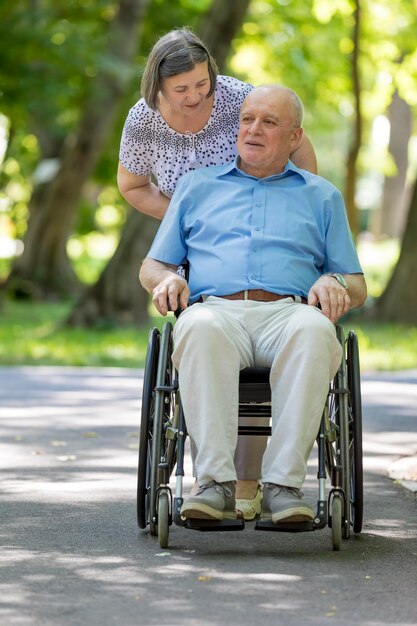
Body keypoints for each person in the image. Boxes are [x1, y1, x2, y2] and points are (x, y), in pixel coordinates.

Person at [139, 84, 367, 523]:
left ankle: (283, 487)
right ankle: (214, 486)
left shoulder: (322, 196)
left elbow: (357, 282)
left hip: (290, 313)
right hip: (215, 312)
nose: (254, 129)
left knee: (317, 331)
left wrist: (335, 282)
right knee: (198, 328)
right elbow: (152, 265)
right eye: (247, 119)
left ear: (295, 137)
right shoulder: (197, 187)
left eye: (269, 122)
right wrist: (166, 279)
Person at [118, 27, 318, 519]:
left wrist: (308, 204)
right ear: (158, 88)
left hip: (266, 229)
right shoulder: (142, 122)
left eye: (201, 85)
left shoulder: (235, 99)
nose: (194, 97)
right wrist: (189, 216)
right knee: (206, 331)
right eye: (181, 90)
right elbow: (131, 184)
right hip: (197, 235)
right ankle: (215, 484)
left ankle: (254, 486)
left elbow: (289, 141)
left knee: (283, 335)